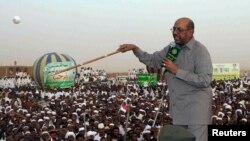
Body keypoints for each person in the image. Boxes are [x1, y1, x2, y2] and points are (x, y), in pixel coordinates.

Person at [117, 17, 213, 141]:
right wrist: (135, 49)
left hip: (196, 113)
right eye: (174, 29)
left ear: (191, 32)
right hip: (178, 111)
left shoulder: (200, 51)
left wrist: (176, 71)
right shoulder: (172, 48)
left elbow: (205, 80)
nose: (175, 32)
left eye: (180, 30)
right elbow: (153, 60)